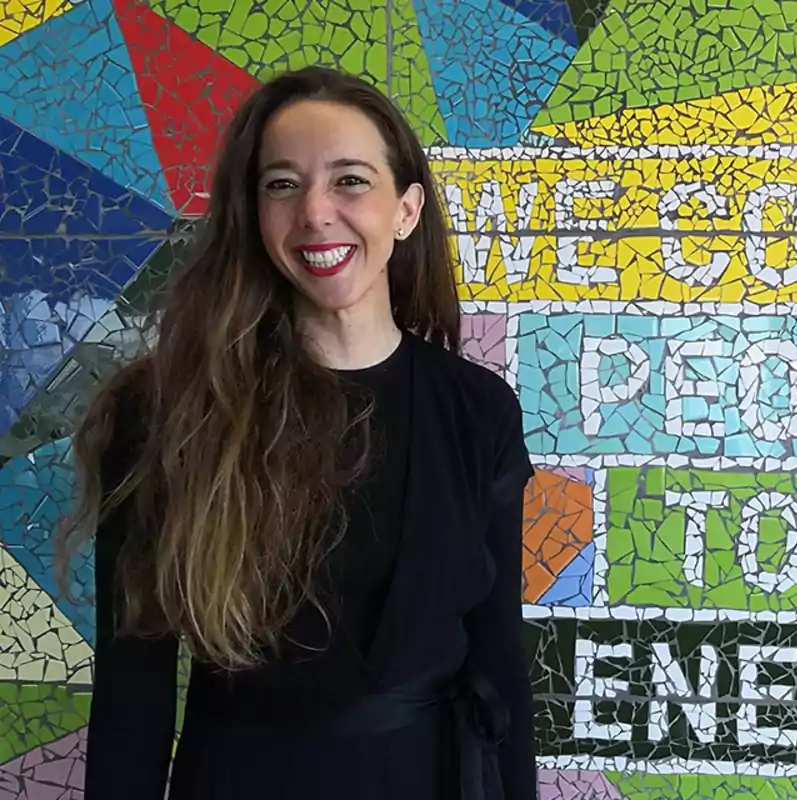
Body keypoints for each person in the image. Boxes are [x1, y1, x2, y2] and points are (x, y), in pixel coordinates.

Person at [57, 66, 536, 799]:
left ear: (406, 210)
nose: (315, 212)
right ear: (253, 213)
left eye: (349, 180)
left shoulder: (480, 411)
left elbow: (500, 664)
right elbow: (133, 692)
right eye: (282, 184)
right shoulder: (166, 411)